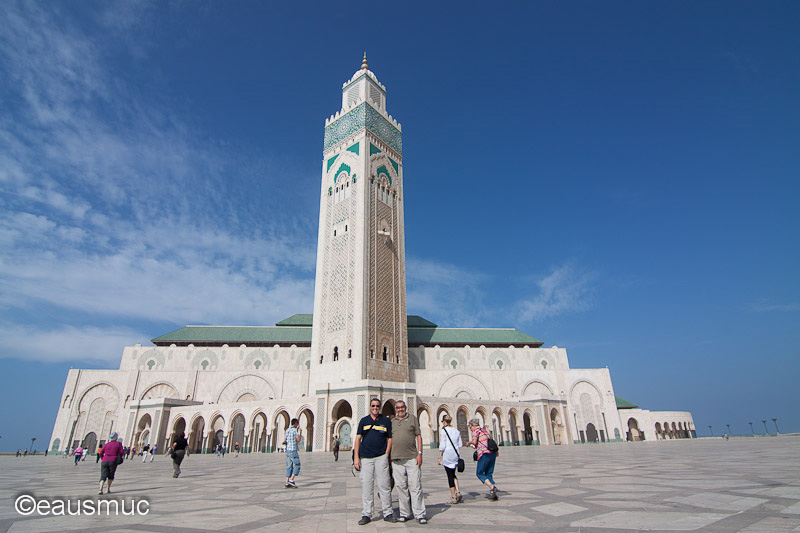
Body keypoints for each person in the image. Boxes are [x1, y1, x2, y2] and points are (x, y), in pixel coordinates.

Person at [353, 398, 395, 525]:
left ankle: (387, 512)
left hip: (381, 457)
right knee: (367, 485)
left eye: (377, 406)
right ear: (370, 407)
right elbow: (358, 439)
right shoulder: (364, 421)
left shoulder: (386, 421)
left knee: (384, 485)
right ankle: (366, 513)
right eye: (373, 406)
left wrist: (386, 454)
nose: (375, 408)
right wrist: (356, 457)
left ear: (380, 407)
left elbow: (390, 439)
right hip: (366, 458)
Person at [391, 400, 427, 524]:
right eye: (398, 408)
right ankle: (404, 513)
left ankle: (419, 513)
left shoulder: (412, 419)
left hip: (412, 458)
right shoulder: (392, 422)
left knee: (415, 486)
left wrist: (420, 453)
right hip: (396, 459)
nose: (400, 409)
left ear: (406, 408)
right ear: (395, 409)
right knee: (401, 487)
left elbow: (419, 436)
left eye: (402, 407)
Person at [468, 419, 498, 501]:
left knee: (479, 473)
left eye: (470, 427)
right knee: (489, 473)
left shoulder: (476, 431)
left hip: (484, 454)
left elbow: (474, 442)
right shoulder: (485, 431)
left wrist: (469, 443)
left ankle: (492, 487)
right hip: (492, 453)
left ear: (473, 426)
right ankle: (493, 492)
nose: (470, 429)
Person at [438, 414, 463, 505]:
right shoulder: (456, 431)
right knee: (453, 473)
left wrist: (439, 457)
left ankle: (453, 497)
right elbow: (460, 444)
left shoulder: (443, 431)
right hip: (456, 454)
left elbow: (442, 445)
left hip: (447, 455)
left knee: (449, 475)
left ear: (444, 422)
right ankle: (458, 492)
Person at [284, 419, 302, 488]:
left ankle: (286, 482)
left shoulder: (287, 430)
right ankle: (291, 480)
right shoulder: (294, 430)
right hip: (293, 450)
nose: (297, 425)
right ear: (295, 423)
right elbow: (298, 439)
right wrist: (300, 432)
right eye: (297, 424)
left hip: (288, 450)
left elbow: (285, 440)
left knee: (289, 466)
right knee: (297, 464)